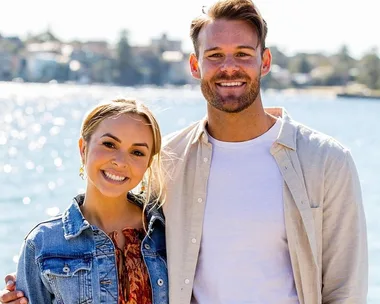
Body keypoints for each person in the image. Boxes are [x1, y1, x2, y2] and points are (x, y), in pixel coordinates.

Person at [1, 0, 368, 303]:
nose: (228, 67)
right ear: (195, 65)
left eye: (243, 54)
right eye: (215, 55)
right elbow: (115, 225)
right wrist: (37, 276)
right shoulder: (169, 158)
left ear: (265, 62)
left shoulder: (326, 161)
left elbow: (345, 289)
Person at [0, 98, 169, 304]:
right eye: (109, 144)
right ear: (83, 148)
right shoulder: (43, 244)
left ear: (148, 163)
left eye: (137, 152)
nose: (120, 161)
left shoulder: (168, 232)